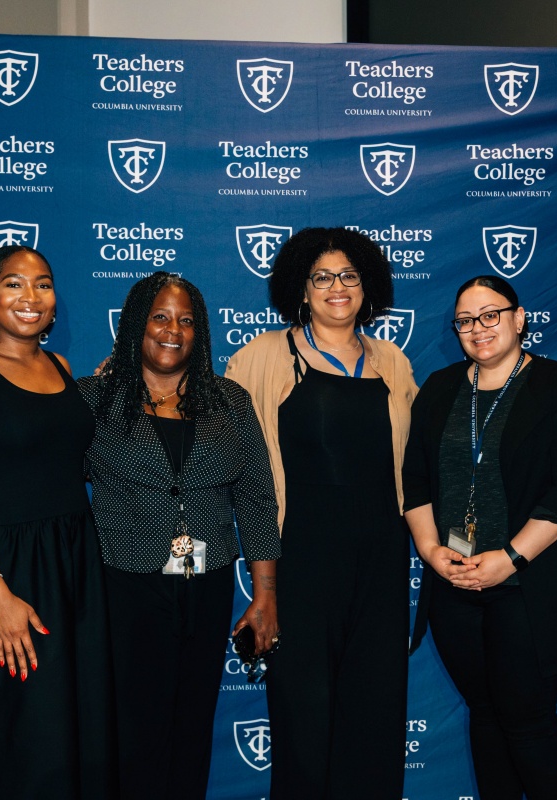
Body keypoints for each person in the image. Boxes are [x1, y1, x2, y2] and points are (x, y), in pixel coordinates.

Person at [225, 227, 417, 799]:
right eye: (323, 277)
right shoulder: (264, 355)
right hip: (301, 560)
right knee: (302, 722)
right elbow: (212, 441)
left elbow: (421, 466)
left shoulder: (391, 361)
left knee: (375, 715)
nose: (338, 287)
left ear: (368, 287)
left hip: (381, 560)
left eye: (350, 276)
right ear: (301, 289)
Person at [76, 272, 281, 799]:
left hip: (205, 583)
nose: (173, 330)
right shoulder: (94, 399)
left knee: (191, 725)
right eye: (160, 318)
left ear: (201, 332)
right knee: (132, 730)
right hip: (122, 587)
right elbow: (44, 473)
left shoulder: (229, 402)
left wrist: (264, 595)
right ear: (135, 326)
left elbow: (256, 498)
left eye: (186, 321)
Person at [403, 275, 557, 800]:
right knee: (485, 715)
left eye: (490, 315)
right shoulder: (441, 389)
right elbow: (415, 479)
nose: (478, 328)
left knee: (527, 719)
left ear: (519, 319)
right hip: (455, 585)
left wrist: (511, 558)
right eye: (466, 321)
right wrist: (430, 551)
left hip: (529, 588)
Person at [0, 245, 116, 799]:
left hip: (74, 563)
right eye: (13, 284)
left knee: (70, 729)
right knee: (16, 731)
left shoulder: (60, 367)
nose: (30, 297)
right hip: (4, 568)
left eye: (43, 284)